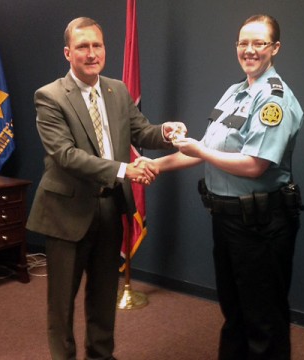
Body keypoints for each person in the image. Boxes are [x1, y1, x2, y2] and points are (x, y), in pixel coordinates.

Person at [26, 17, 185, 360]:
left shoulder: (117, 90)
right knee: (61, 303)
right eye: (82, 46)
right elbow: (67, 156)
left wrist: (166, 132)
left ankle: (101, 355)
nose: (91, 53)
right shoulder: (50, 97)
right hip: (67, 213)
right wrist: (126, 170)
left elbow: (140, 131)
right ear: (68, 52)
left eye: (97, 45)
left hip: (110, 208)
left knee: (103, 296)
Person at [151, 14, 304, 360]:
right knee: (233, 311)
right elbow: (207, 147)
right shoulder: (236, 91)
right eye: (243, 43)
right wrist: (155, 165)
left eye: (259, 43)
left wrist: (200, 149)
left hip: (261, 225)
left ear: (274, 48)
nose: (249, 50)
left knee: (263, 319)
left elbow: (254, 165)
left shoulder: (274, 100)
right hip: (227, 220)